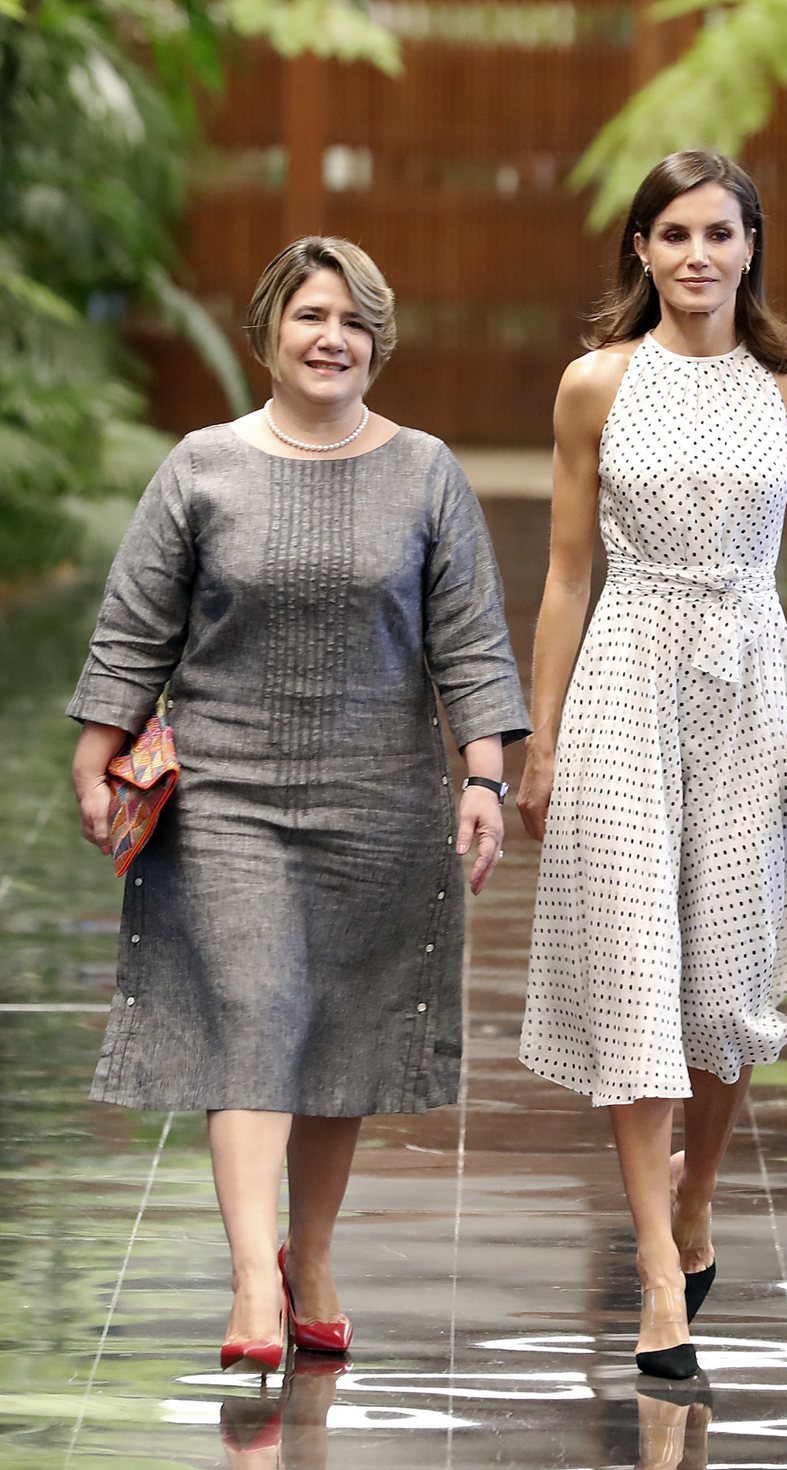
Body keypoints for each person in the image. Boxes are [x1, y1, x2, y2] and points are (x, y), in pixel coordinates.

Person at [68, 236, 529, 1372]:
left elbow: (471, 646)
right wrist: (95, 755)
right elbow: (135, 629)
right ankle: (249, 1286)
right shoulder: (200, 467)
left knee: (342, 1027)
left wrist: (482, 777)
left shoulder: (425, 472)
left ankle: (309, 1261)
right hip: (226, 794)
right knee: (257, 1016)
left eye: (356, 321)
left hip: (377, 798)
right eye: (312, 317)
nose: (334, 339)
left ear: (378, 341)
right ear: (268, 334)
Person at [517, 151, 787, 1379]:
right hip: (626, 671)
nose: (694, 257)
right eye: (670, 235)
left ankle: (697, 1190)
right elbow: (567, 573)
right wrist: (540, 735)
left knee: (724, 983)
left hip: (751, 682)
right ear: (639, 250)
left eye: (717, 234)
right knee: (633, 967)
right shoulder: (593, 385)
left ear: (750, 245)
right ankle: (657, 1284)